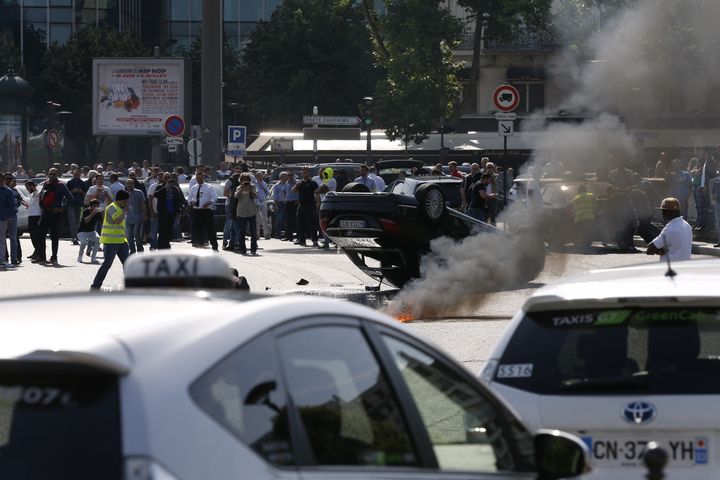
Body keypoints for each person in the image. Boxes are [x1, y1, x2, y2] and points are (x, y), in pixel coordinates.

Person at [90, 190, 130, 290]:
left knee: (128, 264)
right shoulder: (112, 207)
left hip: (121, 241)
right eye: (126, 200)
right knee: (107, 264)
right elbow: (117, 221)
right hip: (111, 242)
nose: (127, 203)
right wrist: (125, 212)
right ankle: (95, 286)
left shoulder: (118, 207)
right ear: (121, 200)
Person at [36, 168, 72, 264]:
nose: (52, 176)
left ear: (57, 175)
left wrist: (62, 208)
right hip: (45, 213)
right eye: (50, 174)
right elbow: (42, 197)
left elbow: (70, 198)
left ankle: (54, 257)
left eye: (54, 174)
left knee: (54, 236)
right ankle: (42, 257)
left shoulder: (61, 185)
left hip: (55, 214)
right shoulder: (46, 184)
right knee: (41, 235)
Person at [646, 197, 692, 262]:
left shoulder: (670, 229)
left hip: (670, 268)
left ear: (669, 212)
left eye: (663, 211)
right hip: (684, 268)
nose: (662, 214)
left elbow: (650, 250)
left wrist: (658, 250)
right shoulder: (687, 225)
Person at [187, 171, 218, 250]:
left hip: (206, 210)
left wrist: (209, 202)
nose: (199, 180)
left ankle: (214, 245)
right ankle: (200, 244)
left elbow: (214, 197)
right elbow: (189, 198)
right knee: (198, 228)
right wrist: (191, 202)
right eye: (198, 178)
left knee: (210, 228)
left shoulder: (209, 187)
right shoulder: (194, 187)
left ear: (203, 178)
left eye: (201, 178)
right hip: (197, 210)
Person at [153, 173, 183, 250]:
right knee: (162, 231)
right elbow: (155, 195)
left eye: (168, 177)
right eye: (165, 177)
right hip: (163, 213)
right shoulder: (160, 187)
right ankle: (160, 247)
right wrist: (165, 188)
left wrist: (178, 211)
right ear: (163, 178)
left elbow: (178, 201)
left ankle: (166, 246)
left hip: (172, 213)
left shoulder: (175, 189)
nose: (167, 179)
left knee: (169, 231)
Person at [293, 166, 319, 247]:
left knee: (312, 223)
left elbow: (317, 193)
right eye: (303, 172)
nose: (304, 174)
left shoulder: (312, 182)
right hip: (301, 206)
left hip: (310, 206)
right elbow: (293, 190)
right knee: (300, 223)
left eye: (305, 172)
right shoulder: (300, 183)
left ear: (308, 173)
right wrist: (297, 184)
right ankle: (302, 240)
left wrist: (318, 202)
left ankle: (314, 240)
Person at [233, 172, 258, 255]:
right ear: (241, 181)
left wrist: (250, 190)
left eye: (247, 180)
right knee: (241, 231)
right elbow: (236, 196)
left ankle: (253, 249)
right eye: (244, 180)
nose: (245, 182)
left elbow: (255, 196)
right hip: (241, 212)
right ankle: (242, 249)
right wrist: (242, 188)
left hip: (251, 211)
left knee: (253, 231)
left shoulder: (253, 187)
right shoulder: (239, 187)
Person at [571, 185, 596, 251]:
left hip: (579, 218)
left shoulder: (575, 198)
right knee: (588, 232)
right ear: (586, 190)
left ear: (578, 191)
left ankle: (581, 245)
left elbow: (572, 208)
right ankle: (586, 245)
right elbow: (595, 206)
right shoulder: (591, 195)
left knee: (581, 232)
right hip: (589, 217)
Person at [77, 198, 102, 263]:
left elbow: (104, 222)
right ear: (90, 206)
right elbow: (86, 221)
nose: (96, 207)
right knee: (84, 242)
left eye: (97, 206)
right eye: (94, 206)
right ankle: (80, 257)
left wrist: (103, 213)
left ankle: (93, 258)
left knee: (98, 239)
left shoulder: (98, 213)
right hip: (82, 232)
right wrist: (93, 213)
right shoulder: (86, 211)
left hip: (91, 232)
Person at [66, 168, 87, 245]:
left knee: (78, 221)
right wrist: (73, 191)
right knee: (72, 222)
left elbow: (85, 193)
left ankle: (78, 236)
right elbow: (66, 193)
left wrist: (80, 191)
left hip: (80, 204)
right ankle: (74, 237)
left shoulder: (82, 183)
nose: (76, 176)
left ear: (80, 174)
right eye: (75, 174)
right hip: (71, 204)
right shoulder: (70, 182)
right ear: (73, 174)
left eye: (78, 174)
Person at [125, 179, 146, 254]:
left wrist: (144, 215)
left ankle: (140, 249)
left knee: (136, 234)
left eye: (131, 183)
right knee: (129, 236)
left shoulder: (139, 192)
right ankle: (132, 250)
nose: (129, 185)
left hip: (137, 217)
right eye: (128, 184)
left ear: (133, 184)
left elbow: (143, 204)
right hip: (128, 217)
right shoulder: (125, 194)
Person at [0, 173, 16, 269]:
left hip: (2, 218)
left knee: (2, 240)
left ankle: (2, 260)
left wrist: (9, 217)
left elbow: (11, 206)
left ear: (2, 180)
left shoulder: (8, 191)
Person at [24, 180, 42, 260]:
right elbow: (33, 205)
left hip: (37, 216)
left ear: (32, 186)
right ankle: (36, 251)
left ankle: (38, 252)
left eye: (28, 187)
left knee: (36, 236)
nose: (27, 189)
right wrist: (28, 205)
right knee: (32, 235)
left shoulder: (38, 193)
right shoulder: (32, 195)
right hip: (31, 216)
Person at [255, 171, 271, 240]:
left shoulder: (264, 183)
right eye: (259, 176)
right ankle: (257, 234)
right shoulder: (254, 183)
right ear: (257, 177)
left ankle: (266, 234)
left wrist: (263, 188)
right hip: (256, 202)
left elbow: (268, 192)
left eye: (262, 176)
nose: (261, 177)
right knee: (257, 219)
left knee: (265, 218)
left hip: (263, 202)